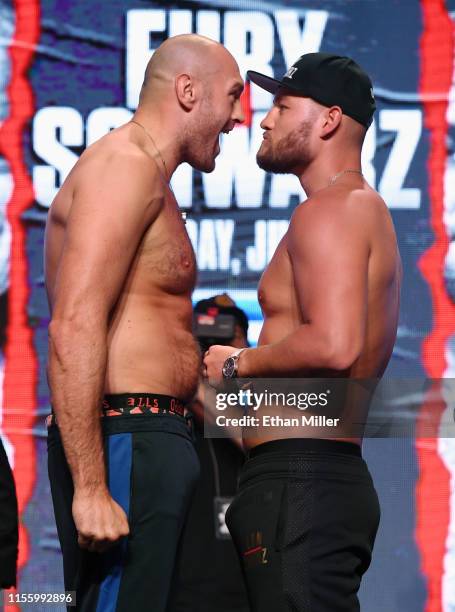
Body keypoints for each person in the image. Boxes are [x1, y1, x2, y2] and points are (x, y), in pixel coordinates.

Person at [45, 34, 244, 611]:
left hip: (152, 437)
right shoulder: (124, 165)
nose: (237, 117)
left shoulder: (150, 179)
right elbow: (74, 321)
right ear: (187, 91)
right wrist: (90, 486)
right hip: (124, 438)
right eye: (231, 96)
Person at [204, 52, 401, 611]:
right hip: (313, 475)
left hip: (301, 478)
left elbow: (335, 345)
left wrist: (236, 364)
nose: (264, 120)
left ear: (329, 120)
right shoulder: (360, 209)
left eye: (282, 106)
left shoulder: (331, 210)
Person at [168, 293, 250, 612]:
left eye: (226, 343)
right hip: (188, 578)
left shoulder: (269, 402)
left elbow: (254, 438)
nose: (214, 356)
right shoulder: (168, 406)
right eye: (206, 344)